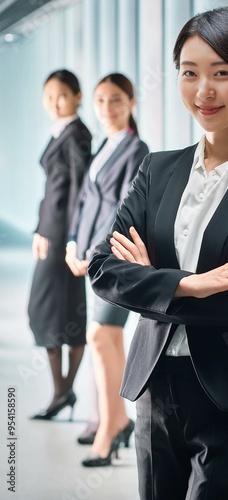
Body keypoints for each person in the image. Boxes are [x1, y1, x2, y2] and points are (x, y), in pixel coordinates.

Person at [89, 6, 228, 499]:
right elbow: (104, 268)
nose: (203, 91)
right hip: (154, 386)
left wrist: (151, 279)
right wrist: (189, 282)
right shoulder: (157, 169)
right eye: (189, 74)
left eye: (222, 73)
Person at [65, 73, 149, 467]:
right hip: (88, 255)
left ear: (131, 103)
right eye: (99, 101)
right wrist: (71, 243)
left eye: (115, 100)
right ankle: (113, 419)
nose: (106, 109)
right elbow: (84, 201)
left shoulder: (137, 149)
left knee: (100, 335)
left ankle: (111, 426)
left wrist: (93, 252)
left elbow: (122, 208)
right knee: (106, 338)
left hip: (113, 259)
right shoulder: (104, 146)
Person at [29, 69, 92, 421]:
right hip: (52, 234)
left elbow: (78, 194)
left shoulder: (75, 136)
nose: (54, 102)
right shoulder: (65, 132)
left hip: (63, 239)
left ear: (77, 96)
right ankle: (62, 392)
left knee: (54, 312)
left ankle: (62, 392)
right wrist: (41, 229)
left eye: (62, 95)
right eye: (49, 96)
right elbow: (52, 192)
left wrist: (72, 239)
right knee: (59, 312)